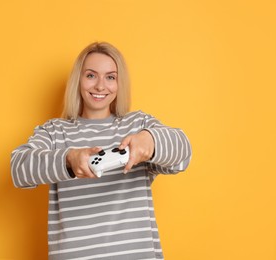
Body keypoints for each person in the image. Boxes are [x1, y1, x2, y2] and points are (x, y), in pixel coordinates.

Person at [11, 42, 192, 260]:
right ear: (78, 80)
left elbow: (183, 154)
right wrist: (68, 159)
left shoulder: (137, 125)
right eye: (90, 75)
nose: (100, 86)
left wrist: (150, 141)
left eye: (110, 77)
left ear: (119, 83)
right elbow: (18, 169)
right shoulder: (55, 132)